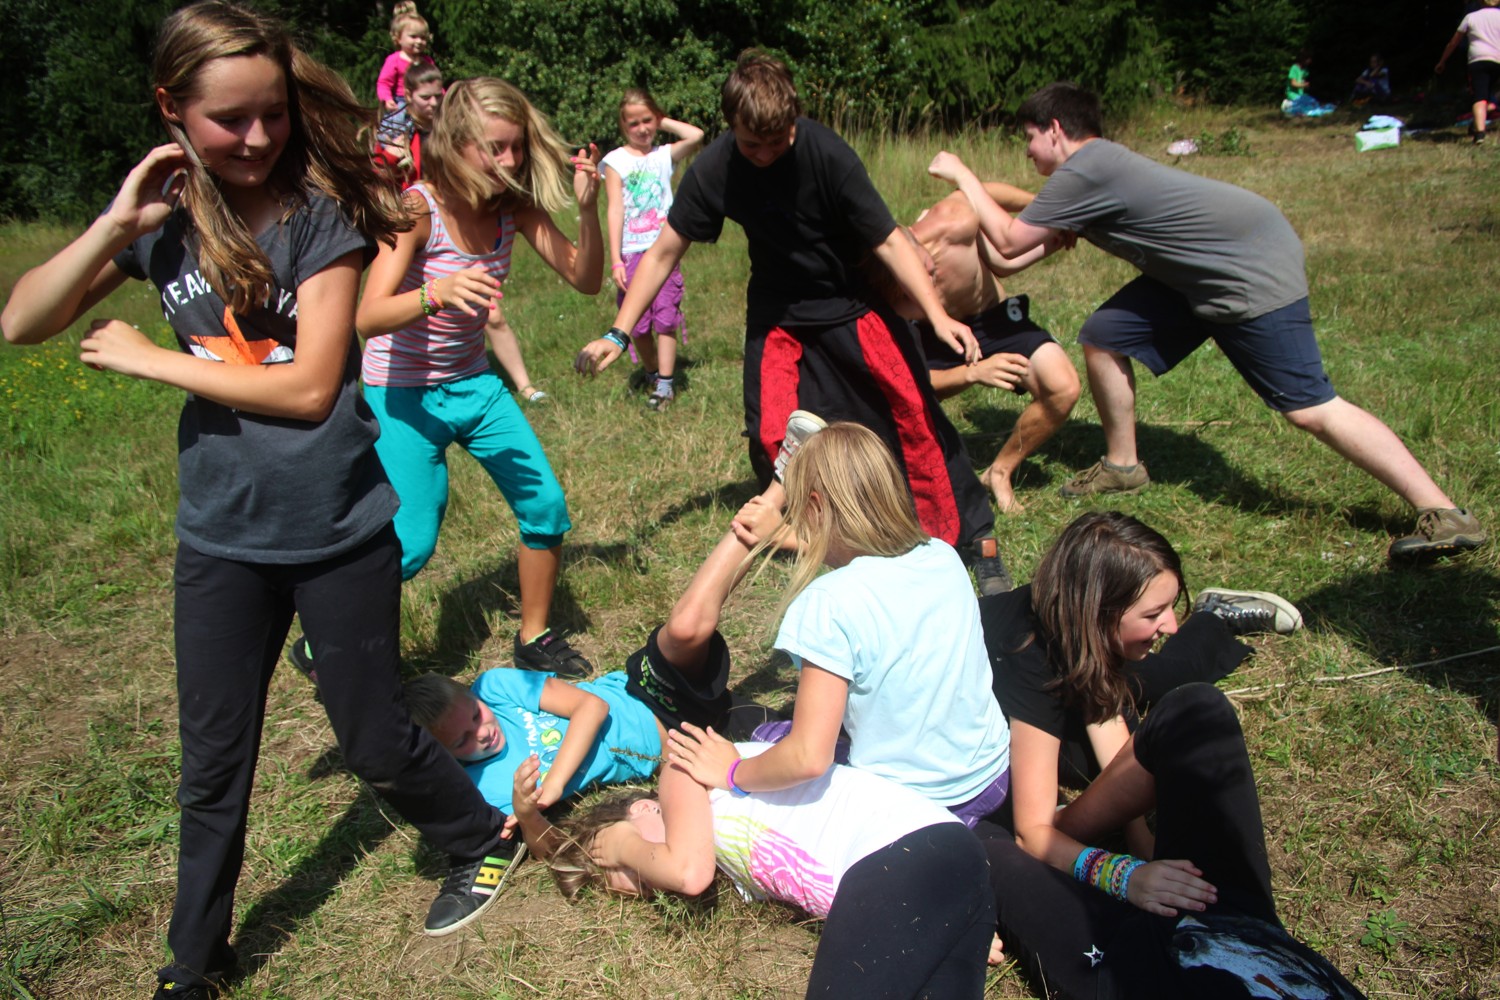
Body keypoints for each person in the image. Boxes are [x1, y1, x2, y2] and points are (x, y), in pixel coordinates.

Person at [0, 3, 523, 994]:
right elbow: (22, 319)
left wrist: (154, 361)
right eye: (229, 119)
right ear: (172, 109)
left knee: (371, 736)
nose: (256, 138)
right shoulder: (162, 222)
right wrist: (115, 225)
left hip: (337, 528)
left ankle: (482, 834)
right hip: (222, 536)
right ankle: (193, 963)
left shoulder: (319, 218)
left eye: (272, 115)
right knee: (212, 761)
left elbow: (311, 387)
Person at [931, 82, 1486, 561]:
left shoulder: (1087, 167)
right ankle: (1123, 466)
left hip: (1247, 269)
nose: (1027, 152)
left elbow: (1008, 241)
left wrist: (962, 175)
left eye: (1029, 138)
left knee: (1310, 407)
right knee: (1105, 335)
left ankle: (1442, 511)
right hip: (1199, 274)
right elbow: (1008, 259)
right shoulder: (1092, 174)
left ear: (1056, 130)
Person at [574, 50, 1014, 595]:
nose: (763, 155)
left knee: (912, 417)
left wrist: (937, 315)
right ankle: (824, 541)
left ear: (793, 120)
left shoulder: (826, 154)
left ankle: (972, 539)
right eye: (750, 144)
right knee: (773, 434)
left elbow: (887, 239)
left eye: (776, 141)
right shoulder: (718, 167)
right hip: (779, 316)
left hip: (852, 305)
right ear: (731, 127)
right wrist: (619, 331)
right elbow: (664, 251)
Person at [354, 77, 602, 677]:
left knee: (545, 506)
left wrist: (588, 209)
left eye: (516, 146)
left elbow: (586, 279)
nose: (509, 160)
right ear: (455, 143)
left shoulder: (512, 208)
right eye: (494, 147)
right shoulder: (418, 209)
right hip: (402, 394)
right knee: (412, 543)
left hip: (475, 384)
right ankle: (329, 639)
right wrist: (435, 292)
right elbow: (367, 317)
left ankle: (534, 637)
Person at [666, 420, 1013, 827]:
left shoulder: (828, 604)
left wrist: (732, 772)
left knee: (754, 739)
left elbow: (808, 758)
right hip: (993, 776)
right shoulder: (942, 554)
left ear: (814, 507)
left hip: (915, 808)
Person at [400, 482, 792, 818]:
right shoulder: (485, 790)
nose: (482, 732)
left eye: (475, 716)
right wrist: (527, 815)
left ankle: (778, 486)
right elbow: (527, 837)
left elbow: (592, 707)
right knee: (788, 752)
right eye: (462, 741)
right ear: (445, 756)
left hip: (648, 691)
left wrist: (553, 784)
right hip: (683, 748)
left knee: (686, 628)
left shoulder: (493, 689)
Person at [983, 683, 1366, 999]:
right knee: (1197, 709)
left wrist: (1117, 871)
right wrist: (1126, 848)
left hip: (1134, 976)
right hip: (1242, 927)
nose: (1168, 626)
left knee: (983, 842)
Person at [981, 511, 1301, 881]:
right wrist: (1126, 875)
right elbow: (1032, 834)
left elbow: (1105, 712)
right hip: (1027, 677)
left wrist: (1139, 835)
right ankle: (1214, 614)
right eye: (1153, 614)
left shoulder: (1079, 622)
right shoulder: (1029, 656)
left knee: (1172, 676)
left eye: (1170, 606)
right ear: (1098, 613)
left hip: (1080, 662)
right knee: (1097, 761)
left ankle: (1213, 616)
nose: (1171, 625)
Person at [873, 187, 1081, 512]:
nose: (925, 288)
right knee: (890, 403)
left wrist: (1046, 212)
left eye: (927, 272)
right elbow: (903, 382)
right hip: (931, 337)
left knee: (1063, 387)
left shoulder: (951, 221)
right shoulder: (881, 291)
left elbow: (978, 191)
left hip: (992, 321)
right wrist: (972, 373)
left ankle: (999, 472)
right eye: (907, 296)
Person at [600, 88, 705, 410]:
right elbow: (615, 209)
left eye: (648, 120)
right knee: (638, 323)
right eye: (633, 123)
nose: (642, 128)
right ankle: (651, 372)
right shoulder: (615, 161)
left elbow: (696, 136)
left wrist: (663, 120)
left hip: (664, 251)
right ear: (623, 126)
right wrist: (616, 260)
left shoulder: (663, 155)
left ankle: (666, 384)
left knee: (666, 317)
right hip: (631, 253)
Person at [1435, 0, 1500, 143]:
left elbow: (1454, 42)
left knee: (1480, 98)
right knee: (1490, 100)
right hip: (1497, 60)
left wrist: (1442, 61)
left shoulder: (1470, 17)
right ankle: (1478, 121)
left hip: (1477, 60)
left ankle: (1479, 134)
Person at [376, 2, 435, 115]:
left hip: (424, 104)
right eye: (413, 36)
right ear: (398, 38)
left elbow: (435, 82)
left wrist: (442, 98)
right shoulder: (394, 60)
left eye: (423, 38)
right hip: (400, 105)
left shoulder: (427, 61)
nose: (419, 41)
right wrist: (387, 99)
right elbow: (384, 83)